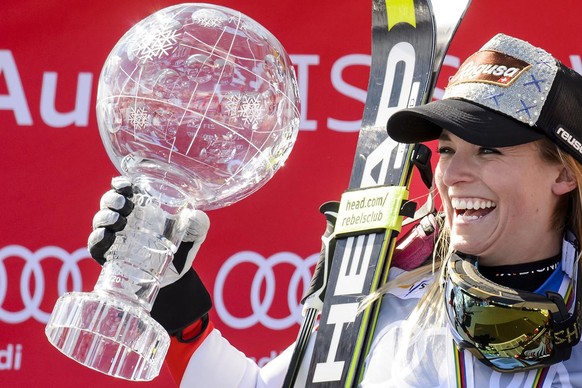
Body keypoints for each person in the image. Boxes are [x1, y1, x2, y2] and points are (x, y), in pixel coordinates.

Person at [89, 33, 582, 387]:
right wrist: (181, 314)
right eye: (449, 149)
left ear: (563, 173)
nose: (453, 175)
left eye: (489, 150)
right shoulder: (386, 292)